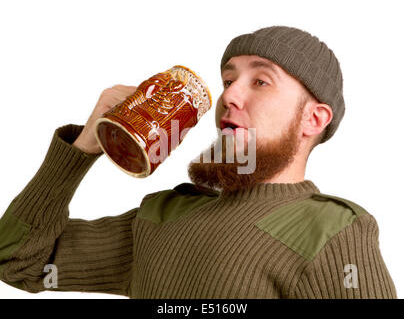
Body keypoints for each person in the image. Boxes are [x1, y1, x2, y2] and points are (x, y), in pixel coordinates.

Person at [0, 26, 397, 299]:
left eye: (260, 81)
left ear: (314, 119)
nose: (230, 96)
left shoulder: (333, 231)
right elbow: (18, 259)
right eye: (228, 81)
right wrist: (82, 150)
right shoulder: (162, 213)